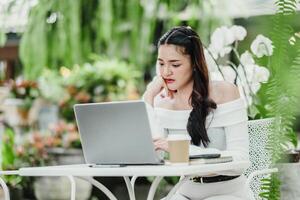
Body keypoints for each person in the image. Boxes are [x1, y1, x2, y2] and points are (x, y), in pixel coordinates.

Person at [143, 26, 252, 200]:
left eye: (175, 64)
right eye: (161, 63)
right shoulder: (162, 102)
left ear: (194, 63)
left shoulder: (226, 92)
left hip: (228, 193)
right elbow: (156, 153)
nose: (165, 72)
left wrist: (182, 150)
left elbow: (240, 161)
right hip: (186, 192)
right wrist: (148, 96)